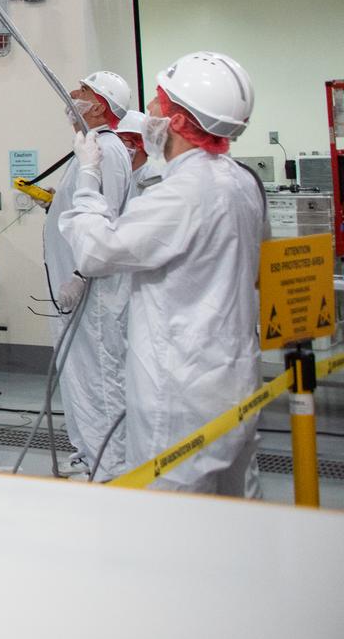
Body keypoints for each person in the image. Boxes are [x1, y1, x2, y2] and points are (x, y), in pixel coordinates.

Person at [60, 51, 266, 496]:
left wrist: (89, 178)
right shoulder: (241, 182)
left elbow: (97, 250)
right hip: (235, 379)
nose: (147, 114)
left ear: (177, 120)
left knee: (170, 520)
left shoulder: (183, 194)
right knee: (237, 511)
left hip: (181, 389)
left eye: (157, 102)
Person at [41, 70, 135, 477]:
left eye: (81, 90)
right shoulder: (90, 149)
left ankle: (109, 467)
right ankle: (90, 457)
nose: (71, 94)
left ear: (99, 105)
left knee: (98, 377)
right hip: (78, 290)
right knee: (80, 377)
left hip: (92, 294)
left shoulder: (106, 152)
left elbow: (105, 216)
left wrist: (80, 276)